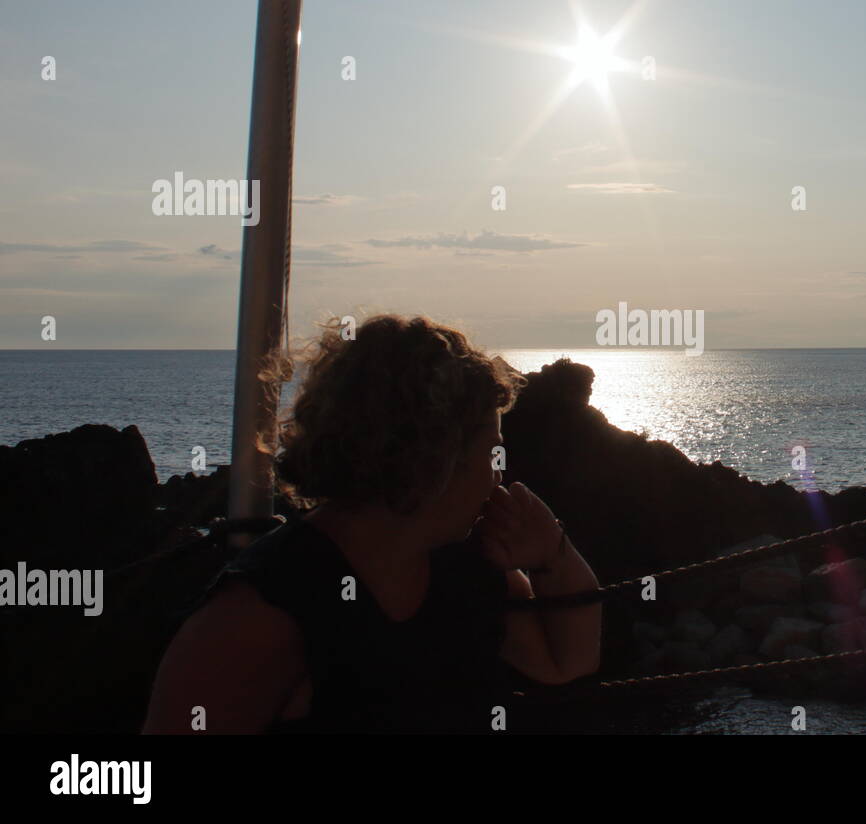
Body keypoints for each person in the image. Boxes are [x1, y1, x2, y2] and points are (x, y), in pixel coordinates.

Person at [142, 314, 601, 734]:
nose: (498, 473)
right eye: (490, 453)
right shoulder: (263, 611)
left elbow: (565, 663)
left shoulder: (466, 568)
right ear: (435, 455)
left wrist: (551, 553)